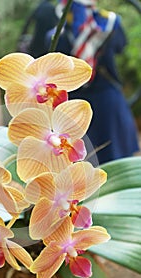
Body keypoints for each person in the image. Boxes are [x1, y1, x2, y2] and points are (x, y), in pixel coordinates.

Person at [47, 0, 140, 164]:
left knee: (78, 166)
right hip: (106, 101)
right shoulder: (111, 25)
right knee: (116, 162)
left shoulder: (56, 34)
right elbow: (120, 47)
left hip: (73, 106)